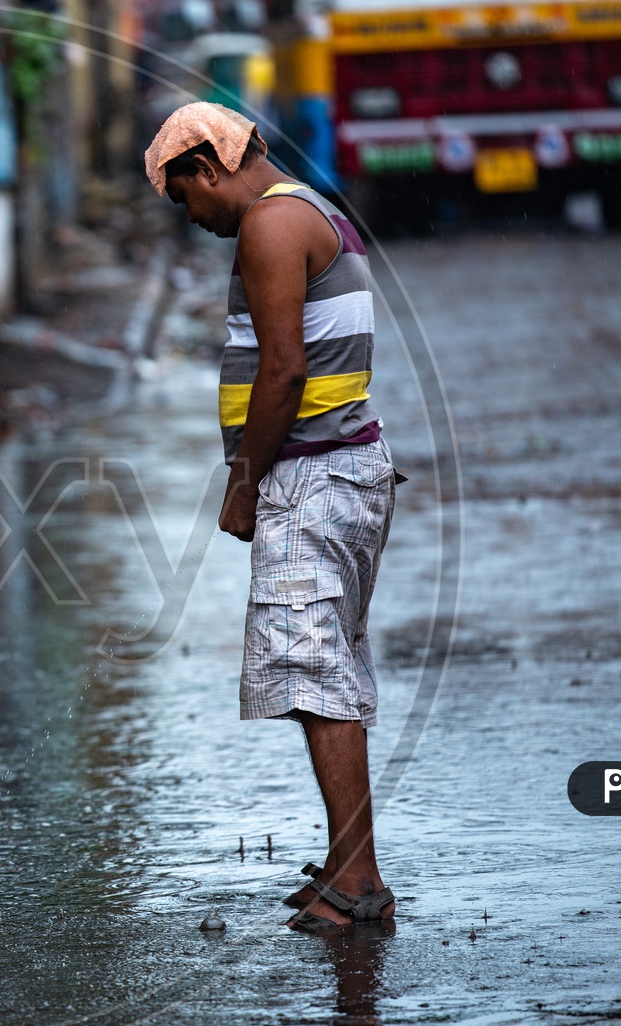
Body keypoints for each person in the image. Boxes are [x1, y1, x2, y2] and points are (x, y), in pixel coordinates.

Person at [146, 102, 397, 931]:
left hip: (313, 476)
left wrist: (244, 485)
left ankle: (356, 882)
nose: (194, 219)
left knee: (315, 671)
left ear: (209, 168)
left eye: (186, 197)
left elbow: (283, 372)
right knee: (327, 669)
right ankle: (345, 864)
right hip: (346, 472)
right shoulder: (310, 209)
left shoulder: (269, 224)